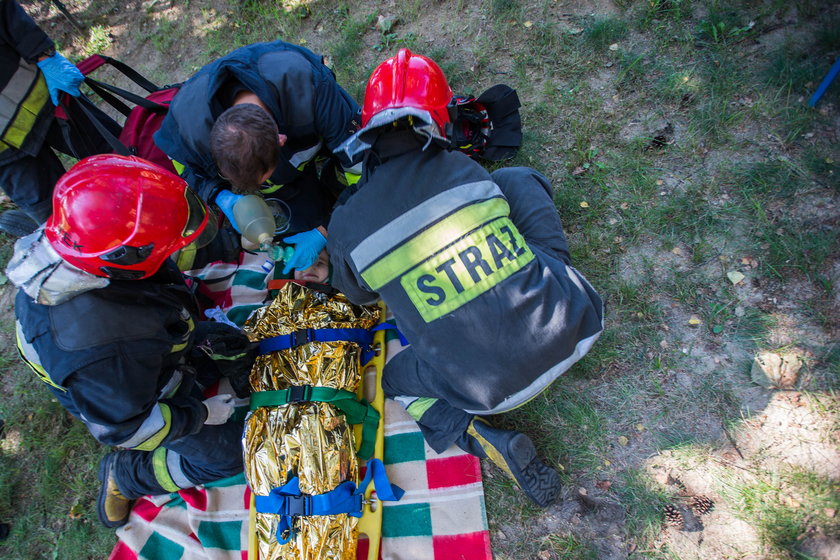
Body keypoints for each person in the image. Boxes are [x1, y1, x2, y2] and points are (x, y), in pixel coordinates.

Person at [326, 49, 605, 507]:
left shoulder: (347, 225)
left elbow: (358, 295)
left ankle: (475, 435)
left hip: (483, 392)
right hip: (572, 323)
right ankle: (542, 285)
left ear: (367, 127)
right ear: (440, 119)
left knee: (395, 381)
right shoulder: (463, 169)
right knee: (518, 178)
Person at [8, 155, 255, 528]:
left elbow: (150, 295)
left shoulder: (93, 238)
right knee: (228, 455)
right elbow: (127, 425)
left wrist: (192, 338)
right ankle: (128, 475)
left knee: (235, 346)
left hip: (148, 350)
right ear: (129, 256)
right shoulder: (97, 351)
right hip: (132, 397)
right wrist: (202, 414)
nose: (174, 252)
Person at [154, 39, 362, 275]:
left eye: (266, 179)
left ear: (282, 139)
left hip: (315, 132)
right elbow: (186, 169)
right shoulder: (188, 127)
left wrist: (324, 230)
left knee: (354, 205)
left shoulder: (310, 89)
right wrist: (220, 195)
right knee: (293, 221)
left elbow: (366, 167)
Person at [0, 0, 109, 237]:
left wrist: (43, 54)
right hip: (5, 156)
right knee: (64, 227)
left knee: (121, 161)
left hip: (43, 96)